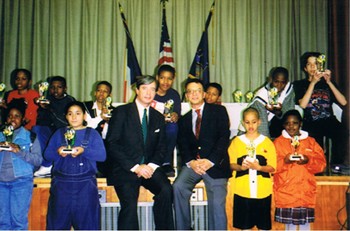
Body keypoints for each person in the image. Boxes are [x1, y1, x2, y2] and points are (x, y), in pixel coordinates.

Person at [106, 75, 174, 230]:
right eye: (144, 88)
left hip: (149, 168)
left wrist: (150, 166)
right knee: (129, 203)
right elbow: (112, 144)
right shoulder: (121, 112)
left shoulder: (158, 116)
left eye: (152, 89)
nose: (148, 93)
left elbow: (162, 147)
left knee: (166, 190)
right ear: (136, 90)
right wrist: (136, 167)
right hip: (126, 167)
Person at [173, 78, 231, 230]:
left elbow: (224, 138)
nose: (194, 94)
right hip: (194, 165)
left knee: (217, 205)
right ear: (186, 95)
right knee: (178, 187)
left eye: (197, 91)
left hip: (215, 165)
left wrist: (210, 161)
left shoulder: (219, 111)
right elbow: (183, 146)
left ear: (204, 94)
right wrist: (191, 162)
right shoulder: (184, 120)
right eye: (190, 91)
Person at [44, 101, 106, 230]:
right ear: (66, 116)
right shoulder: (58, 133)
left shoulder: (92, 134)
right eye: (70, 114)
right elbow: (47, 156)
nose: (74, 117)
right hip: (61, 187)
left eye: (78, 113)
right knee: (57, 225)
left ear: (84, 116)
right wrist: (58, 152)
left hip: (85, 188)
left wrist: (84, 151)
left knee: (88, 226)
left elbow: (102, 156)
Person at [273, 109, 326, 230]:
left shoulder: (311, 142)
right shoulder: (278, 142)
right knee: (289, 227)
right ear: (283, 125)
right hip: (286, 193)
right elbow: (272, 167)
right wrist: (284, 162)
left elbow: (321, 164)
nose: (291, 126)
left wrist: (308, 161)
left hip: (305, 192)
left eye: (295, 123)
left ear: (300, 124)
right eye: (287, 123)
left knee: (305, 227)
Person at [293, 52, 347, 168]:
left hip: (328, 120)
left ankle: (337, 164)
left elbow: (343, 102)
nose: (313, 67)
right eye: (309, 64)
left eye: (316, 64)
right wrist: (312, 83)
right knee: (316, 146)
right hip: (311, 121)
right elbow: (303, 104)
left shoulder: (327, 84)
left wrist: (329, 82)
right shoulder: (299, 84)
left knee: (342, 131)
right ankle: (319, 168)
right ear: (305, 68)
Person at [228, 107, 276, 230]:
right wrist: (240, 167)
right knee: (245, 227)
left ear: (259, 122)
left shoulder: (267, 142)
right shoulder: (236, 142)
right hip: (242, 192)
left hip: (263, 192)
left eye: (253, 122)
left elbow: (272, 167)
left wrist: (259, 167)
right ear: (243, 123)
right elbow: (230, 164)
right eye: (247, 122)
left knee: (263, 227)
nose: (250, 125)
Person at [0, 98, 42, 230]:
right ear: (6, 119)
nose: (13, 119)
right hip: (1, 184)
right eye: (10, 116)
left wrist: (19, 151)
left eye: (17, 116)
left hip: (21, 183)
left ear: (23, 118)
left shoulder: (31, 137)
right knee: (3, 221)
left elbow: (38, 160)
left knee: (18, 221)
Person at [33, 76, 75, 177]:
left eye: (59, 87)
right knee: (37, 129)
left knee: (58, 134)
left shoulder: (70, 101)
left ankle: (48, 164)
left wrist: (50, 108)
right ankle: (47, 164)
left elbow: (66, 122)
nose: (55, 90)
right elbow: (41, 121)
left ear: (65, 88)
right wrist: (42, 108)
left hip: (64, 132)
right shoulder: (47, 99)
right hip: (50, 131)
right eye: (52, 87)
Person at [239, 67, 295, 138]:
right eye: (276, 82)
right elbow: (262, 129)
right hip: (250, 131)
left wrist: (278, 112)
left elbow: (289, 114)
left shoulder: (288, 89)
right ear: (270, 80)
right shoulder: (261, 97)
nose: (279, 86)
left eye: (283, 82)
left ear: (286, 82)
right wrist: (268, 144)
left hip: (271, 124)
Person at [152, 64, 181, 177]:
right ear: (157, 77)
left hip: (166, 126)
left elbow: (177, 113)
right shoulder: (150, 91)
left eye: (169, 78)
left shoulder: (174, 94)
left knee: (173, 127)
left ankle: (166, 162)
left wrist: (174, 115)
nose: (165, 81)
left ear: (173, 79)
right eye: (162, 77)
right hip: (149, 125)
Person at [84, 81, 113, 177]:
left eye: (105, 91)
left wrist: (108, 123)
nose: (101, 93)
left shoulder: (114, 111)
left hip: (107, 144)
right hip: (89, 142)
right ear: (94, 93)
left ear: (109, 95)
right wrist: (101, 117)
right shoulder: (85, 106)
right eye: (99, 90)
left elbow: (112, 134)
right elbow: (86, 127)